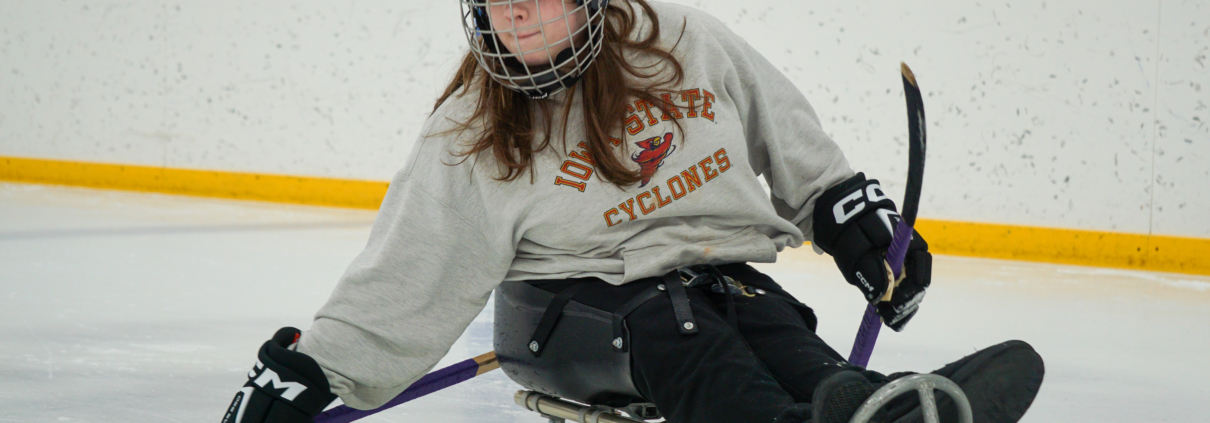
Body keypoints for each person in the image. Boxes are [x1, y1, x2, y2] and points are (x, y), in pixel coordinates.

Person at [219, 1, 1045, 423]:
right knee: (673, 320)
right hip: (567, 314)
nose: (515, 13)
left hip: (712, 281)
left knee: (760, 315)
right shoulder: (470, 129)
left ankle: (860, 401)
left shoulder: (677, 36)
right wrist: (312, 369)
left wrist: (850, 220)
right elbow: (406, 274)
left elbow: (785, 132)